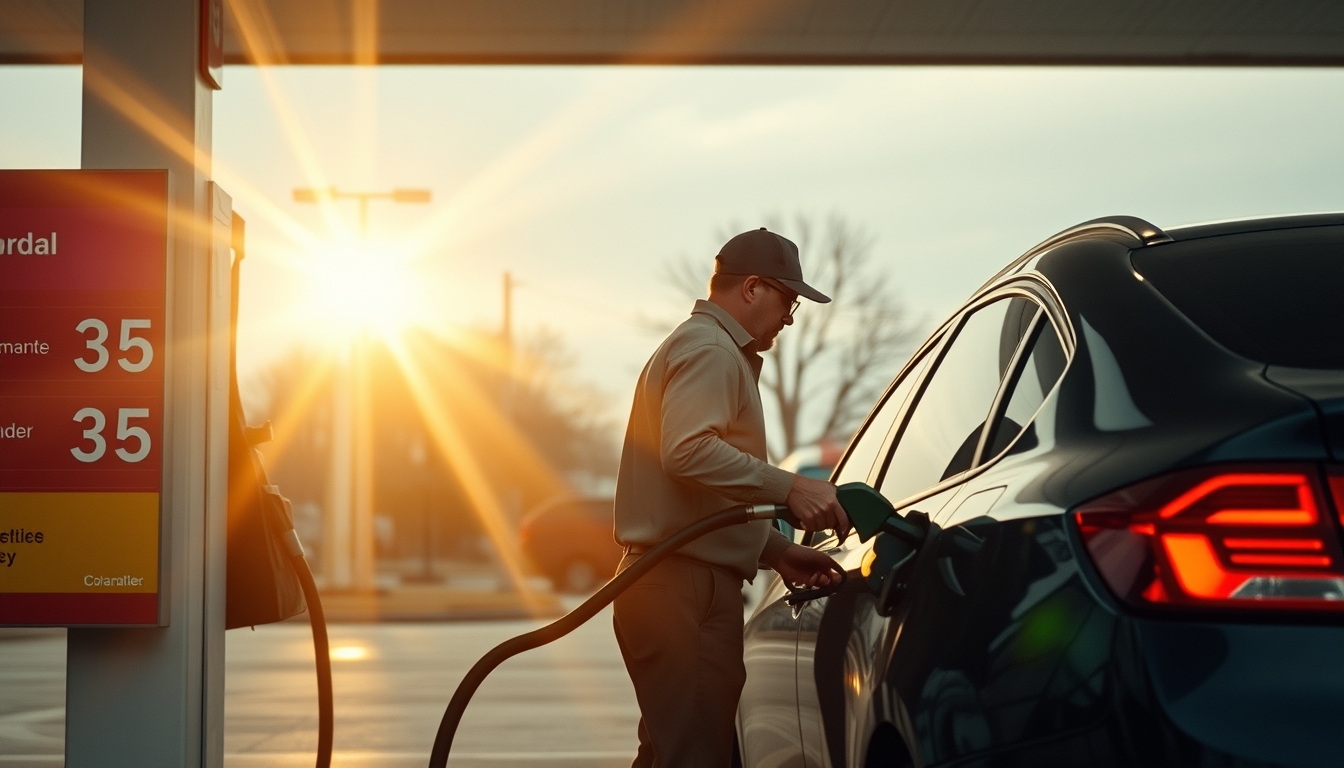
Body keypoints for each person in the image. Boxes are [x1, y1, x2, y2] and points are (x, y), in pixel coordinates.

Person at [612, 227, 851, 768]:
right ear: (752, 289)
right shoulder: (712, 351)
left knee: (671, 755)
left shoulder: (702, 346)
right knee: (697, 757)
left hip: (671, 581)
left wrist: (776, 550)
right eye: (788, 299)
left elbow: (697, 496)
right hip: (682, 587)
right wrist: (792, 485)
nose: (790, 316)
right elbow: (688, 452)